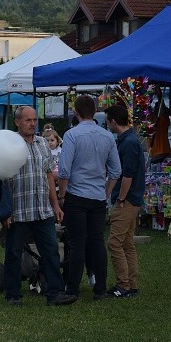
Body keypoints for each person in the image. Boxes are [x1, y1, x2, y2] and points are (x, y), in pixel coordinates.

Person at [4, 106, 76, 307]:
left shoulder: (43, 143)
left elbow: (48, 174)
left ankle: (55, 293)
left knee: (51, 250)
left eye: (35, 120)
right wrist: (5, 210)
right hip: (18, 209)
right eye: (28, 120)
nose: (33, 123)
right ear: (17, 122)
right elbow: (3, 178)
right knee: (13, 252)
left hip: (41, 208)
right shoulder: (9, 145)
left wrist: (55, 204)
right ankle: (13, 294)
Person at [57, 95, 121, 301]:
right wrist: (106, 192)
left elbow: (65, 170)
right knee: (97, 242)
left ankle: (73, 289)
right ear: (95, 112)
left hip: (76, 194)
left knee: (77, 244)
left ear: (75, 112)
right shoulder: (107, 136)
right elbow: (116, 170)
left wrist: (61, 195)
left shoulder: (71, 135)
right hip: (97, 196)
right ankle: (100, 289)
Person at [104, 105, 144, 299]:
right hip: (132, 199)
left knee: (114, 243)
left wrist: (120, 198)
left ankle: (123, 285)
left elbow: (127, 175)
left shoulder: (128, 142)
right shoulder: (129, 140)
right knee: (127, 243)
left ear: (113, 121)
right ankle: (131, 284)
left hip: (126, 200)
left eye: (107, 120)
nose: (107, 124)